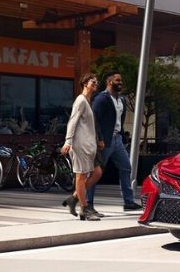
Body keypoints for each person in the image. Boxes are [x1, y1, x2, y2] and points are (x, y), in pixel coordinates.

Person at [86, 72, 143, 216]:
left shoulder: (121, 100)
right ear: (109, 81)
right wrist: (99, 139)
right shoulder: (101, 99)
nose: (120, 82)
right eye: (118, 80)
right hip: (104, 141)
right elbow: (94, 120)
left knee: (126, 167)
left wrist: (123, 137)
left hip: (117, 140)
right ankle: (88, 203)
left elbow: (119, 121)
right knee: (95, 173)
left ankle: (128, 202)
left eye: (121, 80)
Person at [61, 73, 104, 221]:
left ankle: (74, 198)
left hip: (89, 146)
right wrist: (68, 141)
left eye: (97, 82)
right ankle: (84, 209)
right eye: (93, 81)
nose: (96, 83)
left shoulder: (88, 101)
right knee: (80, 176)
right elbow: (72, 121)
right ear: (85, 83)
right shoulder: (80, 100)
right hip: (80, 145)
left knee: (97, 172)